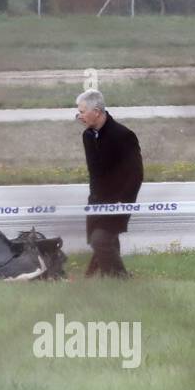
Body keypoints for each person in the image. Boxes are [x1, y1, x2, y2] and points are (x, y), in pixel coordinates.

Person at [76, 89, 143, 277]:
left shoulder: (124, 136)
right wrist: (94, 200)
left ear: (96, 111)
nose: (79, 116)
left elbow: (136, 175)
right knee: (102, 241)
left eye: (82, 111)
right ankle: (102, 279)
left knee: (101, 240)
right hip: (96, 202)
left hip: (119, 202)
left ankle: (121, 281)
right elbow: (94, 174)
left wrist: (123, 203)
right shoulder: (87, 136)